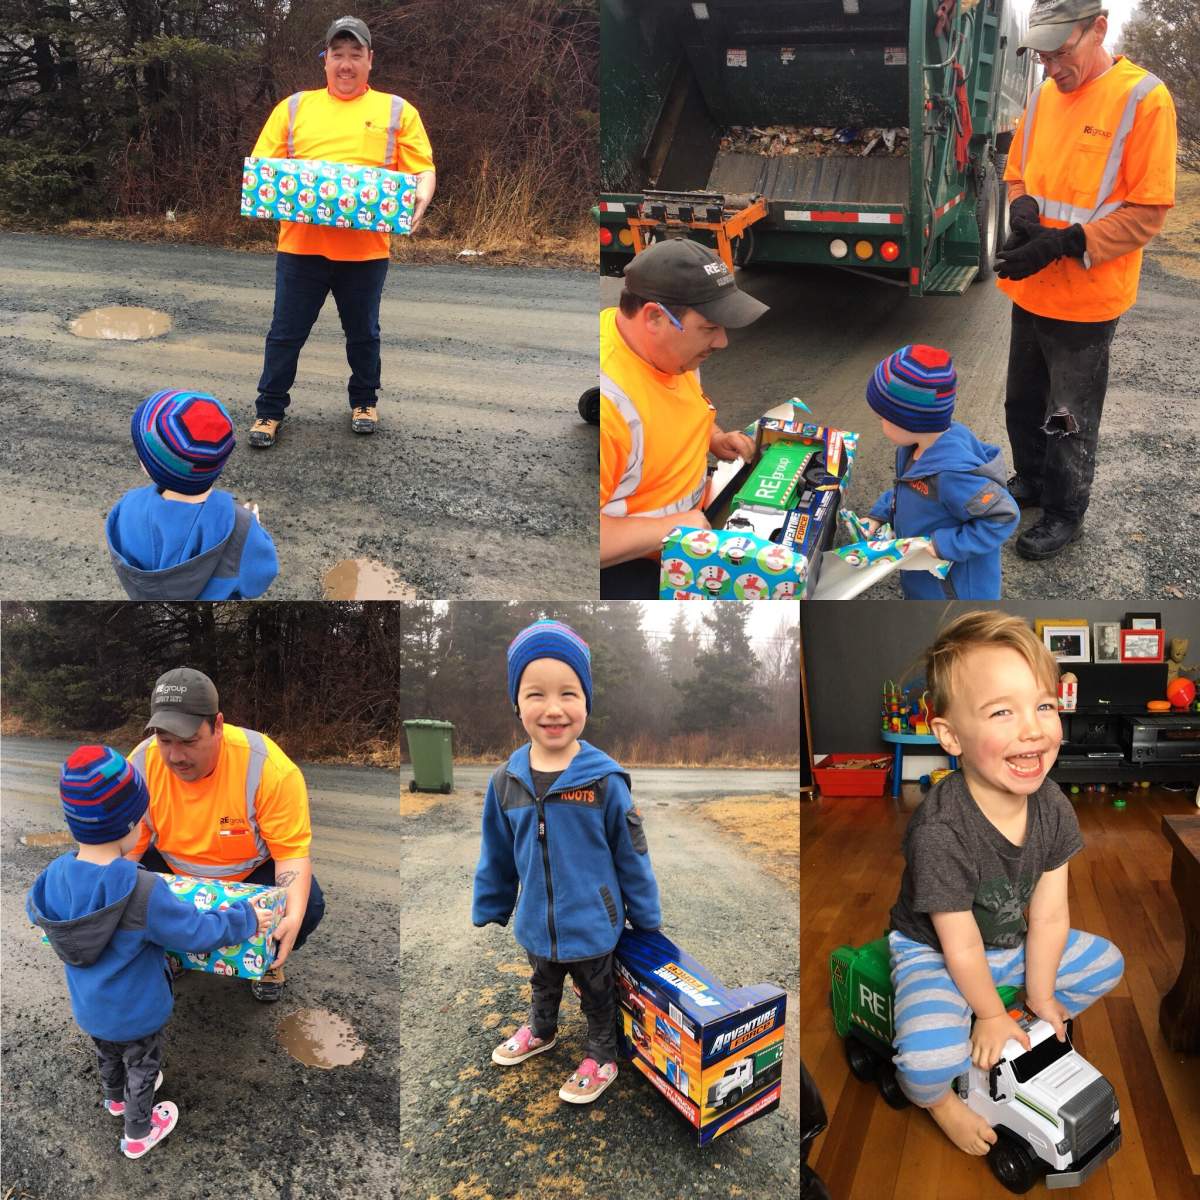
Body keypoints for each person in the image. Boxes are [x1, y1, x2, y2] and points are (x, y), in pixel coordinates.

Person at [886, 611, 1124, 1156]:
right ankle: (941, 1102)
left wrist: (1039, 994)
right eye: (1002, 712)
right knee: (924, 1064)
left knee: (1108, 963)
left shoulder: (1054, 807)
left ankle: (1008, 1012)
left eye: (1044, 704)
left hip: (1008, 943)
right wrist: (990, 1012)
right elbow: (959, 942)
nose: (1033, 728)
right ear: (950, 735)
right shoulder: (941, 830)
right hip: (936, 950)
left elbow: (1048, 916)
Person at [26, 746, 273, 1159]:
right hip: (137, 1014)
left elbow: (39, 913)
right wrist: (244, 918)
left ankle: (115, 1099)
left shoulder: (52, 877)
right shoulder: (142, 890)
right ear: (130, 823)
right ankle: (138, 1132)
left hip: (90, 1007)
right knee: (143, 1066)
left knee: (107, 1052)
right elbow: (196, 931)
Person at [994, 0, 1176, 559]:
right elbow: (1018, 172)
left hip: (1088, 301)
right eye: (1041, 55)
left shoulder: (1144, 99)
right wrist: (1023, 213)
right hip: (1032, 290)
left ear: (1098, 28)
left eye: (1060, 52)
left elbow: (1147, 212)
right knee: (1021, 402)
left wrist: (1067, 242)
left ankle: (1064, 512)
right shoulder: (1046, 93)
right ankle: (1032, 480)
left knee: (1065, 418)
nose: (1050, 67)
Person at [471, 620, 662, 1103]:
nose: (553, 709)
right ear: (517, 703)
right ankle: (542, 1028)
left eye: (569, 694)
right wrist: (491, 904)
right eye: (536, 694)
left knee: (598, 991)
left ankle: (602, 1052)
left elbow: (632, 856)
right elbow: (496, 853)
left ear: (587, 702)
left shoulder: (604, 781)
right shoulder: (506, 781)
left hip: (594, 924)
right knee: (543, 977)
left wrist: (647, 917)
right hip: (537, 921)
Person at [248, 15, 436, 446]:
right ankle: (269, 410)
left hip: (366, 253)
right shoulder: (294, 108)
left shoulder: (396, 111)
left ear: (370, 60)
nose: (346, 64)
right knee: (285, 333)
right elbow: (265, 171)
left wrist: (422, 198)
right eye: (338, 54)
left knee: (363, 333)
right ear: (325, 60)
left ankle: (364, 401)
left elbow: (422, 169)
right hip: (301, 248)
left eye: (355, 54)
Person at [124, 668, 325, 1003]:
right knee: (126, 886)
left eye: (189, 741)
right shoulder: (141, 765)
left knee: (308, 903)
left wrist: (289, 918)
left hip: (248, 876)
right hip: (172, 872)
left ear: (217, 726)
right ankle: (174, 953)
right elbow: (126, 853)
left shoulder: (268, 769)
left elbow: (291, 855)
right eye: (165, 741)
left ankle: (266, 962)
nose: (175, 757)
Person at [599, 239, 769, 598]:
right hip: (633, 566)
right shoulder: (610, 405)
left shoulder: (669, 352)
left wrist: (714, 436)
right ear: (655, 317)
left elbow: (679, 407)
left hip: (689, 525)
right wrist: (673, 526)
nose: (722, 341)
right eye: (709, 328)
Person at [863, 345, 1019, 599]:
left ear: (909, 421)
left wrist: (944, 544)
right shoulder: (914, 446)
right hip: (924, 576)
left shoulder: (952, 474)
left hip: (955, 593)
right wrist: (880, 514)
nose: (879, 422)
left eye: (882, 418)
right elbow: (908, 490)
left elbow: (1003, 516)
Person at [105, 389, 278, 600]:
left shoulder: (127, 508)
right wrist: (253, 528)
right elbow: (259, 579)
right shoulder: (241, 527)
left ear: (147, 467)